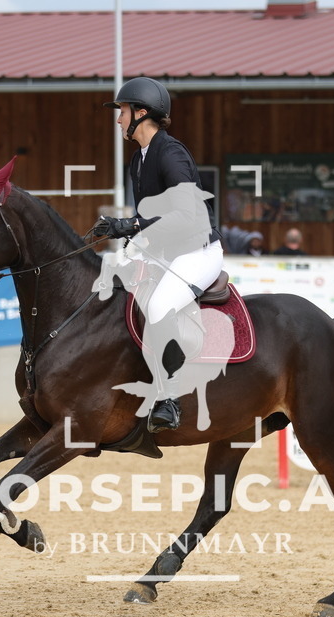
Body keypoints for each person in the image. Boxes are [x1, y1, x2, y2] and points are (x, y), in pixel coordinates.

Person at [93, 77, 223, 433]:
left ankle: (170, 398)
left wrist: (131, 224)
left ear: (141, 113)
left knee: (159, 306)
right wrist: (126, 235)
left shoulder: (170, 153)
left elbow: (186, 215)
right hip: (166, 253)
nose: (118, 118)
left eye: (122, 111)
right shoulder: (139, 159)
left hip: (198, 252)